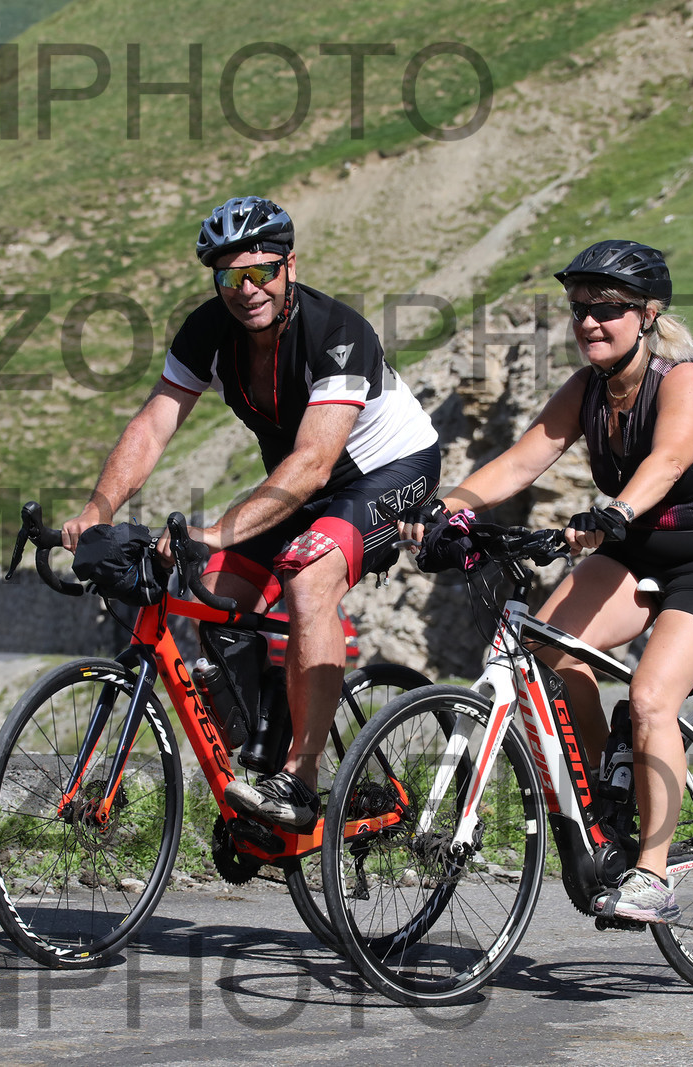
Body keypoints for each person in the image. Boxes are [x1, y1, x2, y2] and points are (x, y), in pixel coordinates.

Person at [401, 239, 693, 923]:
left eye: (608, 309)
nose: (590, 322)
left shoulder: (687, 382)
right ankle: (608, 792)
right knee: (547, 651)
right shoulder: (587, 390)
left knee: (652, 696)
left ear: (647, 314)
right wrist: (445, 508)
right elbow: (520, 463)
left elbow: (667, 462)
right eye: (579, 309)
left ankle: (653, 875)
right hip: (638, 547)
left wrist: (616, 513)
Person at [63, 196, 440, 833]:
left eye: (262, 272)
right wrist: (97, 508)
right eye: (230, 277)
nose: (247, 290)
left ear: (290, 266)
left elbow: (314, 463)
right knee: (214, 589)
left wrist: (215, 532)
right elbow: (154, 425)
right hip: (301, 485)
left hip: (387, 472)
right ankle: (265, 745)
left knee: (308, 579)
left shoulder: (337, 332)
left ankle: (302, 779)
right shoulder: (207, 331)